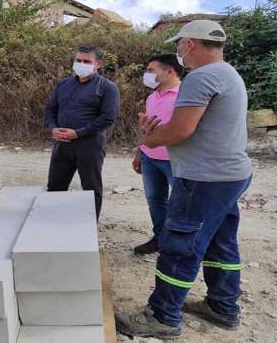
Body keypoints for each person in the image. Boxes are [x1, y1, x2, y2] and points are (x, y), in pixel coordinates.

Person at [117, 20, 253, 339]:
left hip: (203, 178)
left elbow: (179, 131)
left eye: (179, 45)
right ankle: (223, 307)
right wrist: (157, 133)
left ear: (189, 44)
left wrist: (151, 138)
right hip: (229, 175)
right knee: (220, 243)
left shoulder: (201, 77)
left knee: (181, 246)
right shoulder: (228, 73)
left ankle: (163, 317)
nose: (178, 51)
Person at [43, 45, 120, 219]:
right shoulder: (64, 84)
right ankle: (51, 222)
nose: (81, 64)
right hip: (62, 144)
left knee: (91, 188)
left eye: (87, 61)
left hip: (89, 145)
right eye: (78, 60)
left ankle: (90, 227)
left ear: (98, 64)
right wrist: (53, 127)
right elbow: (49, 109)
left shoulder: (107, 87)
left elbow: (108, 118)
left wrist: (78, 133)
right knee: (55, 186)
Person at [132, 54, 183, 255]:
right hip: (149, 158)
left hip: (175, 160)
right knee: (155, 200)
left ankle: (178, 244)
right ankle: (160, 238)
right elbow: (148, 131)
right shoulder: (152, 97)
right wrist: (139, 153)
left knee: (180, 204)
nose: (147, 75)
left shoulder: (186, 96)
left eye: (151, 71)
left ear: (169, 71)